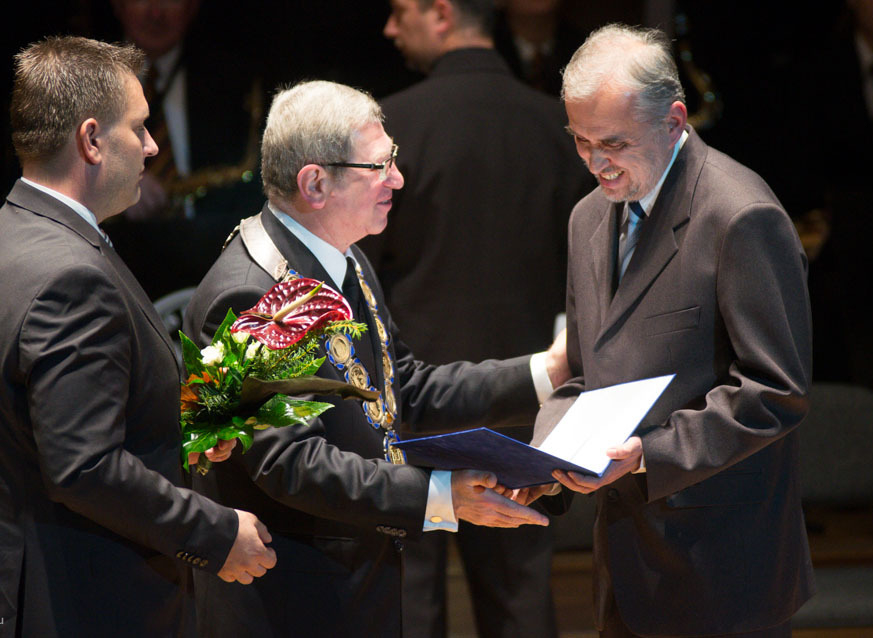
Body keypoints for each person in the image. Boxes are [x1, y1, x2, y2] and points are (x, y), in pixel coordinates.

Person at [183, 79, 568, 637]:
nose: (398, 178)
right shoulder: (255, 291)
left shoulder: (346, 259)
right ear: (315, 183)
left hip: (356, 578)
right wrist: (440, 495)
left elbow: (400, 387)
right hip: (292, 599)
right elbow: (292, 462)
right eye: (380, 165)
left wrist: (547, 372)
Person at [0, 36, 276, 636]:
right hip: (74, 602)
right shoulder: (69, 274)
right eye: (139, 128)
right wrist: (217, 534)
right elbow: (84, 466)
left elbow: (44, 420)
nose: (152, 146)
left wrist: (181, 433)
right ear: (91, 140)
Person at [524, 24, 814, 637]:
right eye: (580, 141)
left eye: (614, 143)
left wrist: (646, 456)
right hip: (625, 563)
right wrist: (543, 458)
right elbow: (585, 373)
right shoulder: (586, 219)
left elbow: (775, 391)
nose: (596, 163)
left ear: (674, 119)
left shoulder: (741, 214)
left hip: (724, 569)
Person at [367, 1, 590, 636]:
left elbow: (359, 276)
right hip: (525, 397)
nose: (389, 27)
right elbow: (585, 274)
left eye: (400, 11)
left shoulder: (389, 130)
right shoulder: (557, 127)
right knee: (521, 597)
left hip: (411, 401)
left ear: (441, 13)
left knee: (409, 597)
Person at [110, 0, 265, 220]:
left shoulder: (231, 81)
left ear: (192, 6)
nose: (156, 13)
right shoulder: (86, 80)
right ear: (118, 5)